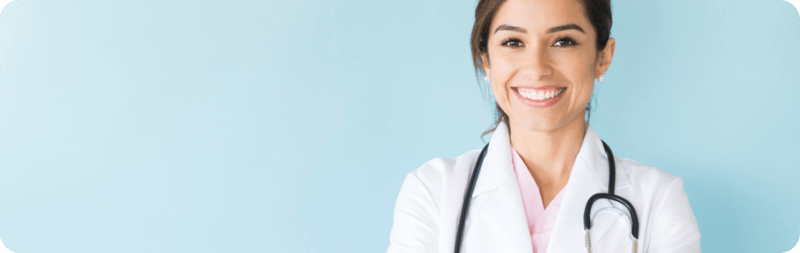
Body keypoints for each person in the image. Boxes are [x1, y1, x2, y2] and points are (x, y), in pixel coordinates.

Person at [386, 0, 701, 252]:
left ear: (603, 57)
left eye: (563, 41)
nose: (537, 69)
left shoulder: (658, 200)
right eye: (513, 42)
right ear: (486, 59)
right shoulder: (432, 193)